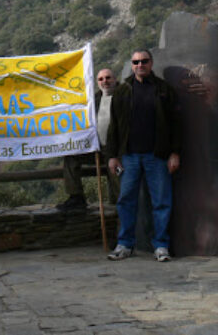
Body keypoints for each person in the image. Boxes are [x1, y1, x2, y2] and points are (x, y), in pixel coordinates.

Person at [105, 49, 181, 262]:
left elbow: (176, 124)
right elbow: (115, 126)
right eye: (136, 62)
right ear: (131, 65)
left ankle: (161, 246)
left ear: (151, 63)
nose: (140, 65)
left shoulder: (164, 90)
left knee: (161, 202)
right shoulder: (123, 91)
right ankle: (125, 244)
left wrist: (175, 152)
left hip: (157, 155)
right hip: (129, 156)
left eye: (144, 61)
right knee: (126, 201)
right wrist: (112, 155)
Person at [57, 68, 120, 211]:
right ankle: (76, 197)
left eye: (108, 78)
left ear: (115, 79)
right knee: (71, 156)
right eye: (101, 79)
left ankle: (121, 211)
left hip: (119, 152)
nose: (105, 81)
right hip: (99, 149)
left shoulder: (124, 97)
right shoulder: (94, 100)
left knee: (119, 186)